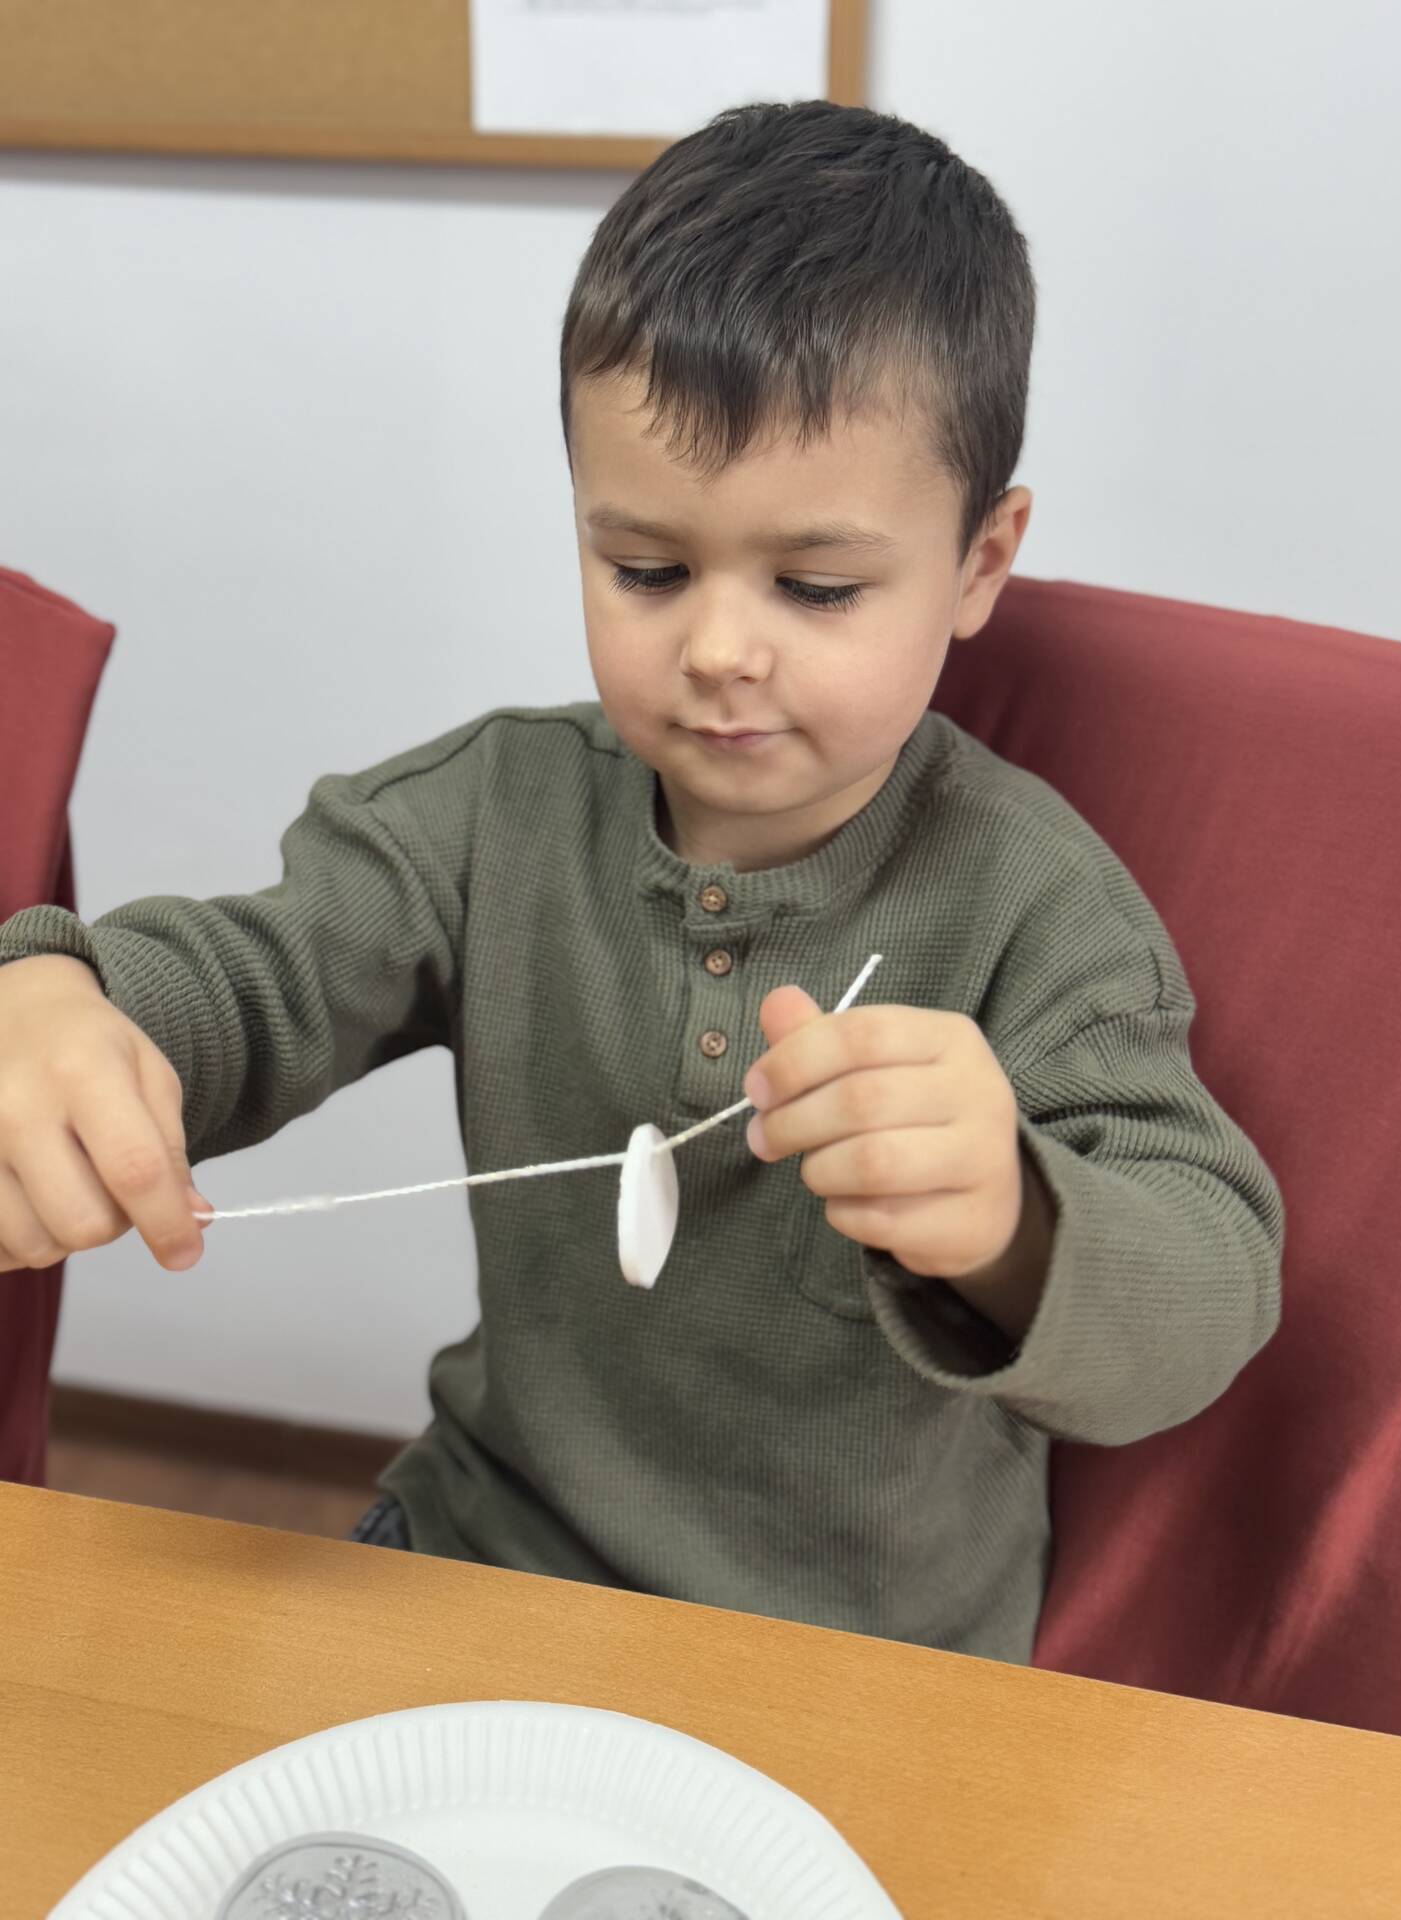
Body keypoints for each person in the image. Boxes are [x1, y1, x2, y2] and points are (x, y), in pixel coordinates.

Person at [0, 100, 1282, 1663]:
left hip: (861, 1660)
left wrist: (1014, 1218)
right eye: (648, 570)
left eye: (817, 586)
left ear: (979, 564)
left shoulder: (1038, 908)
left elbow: (1207, 1296)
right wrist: (59, 996)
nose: (721, 647)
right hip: (488, 1553)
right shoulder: (490, 817)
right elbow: (256, 979)